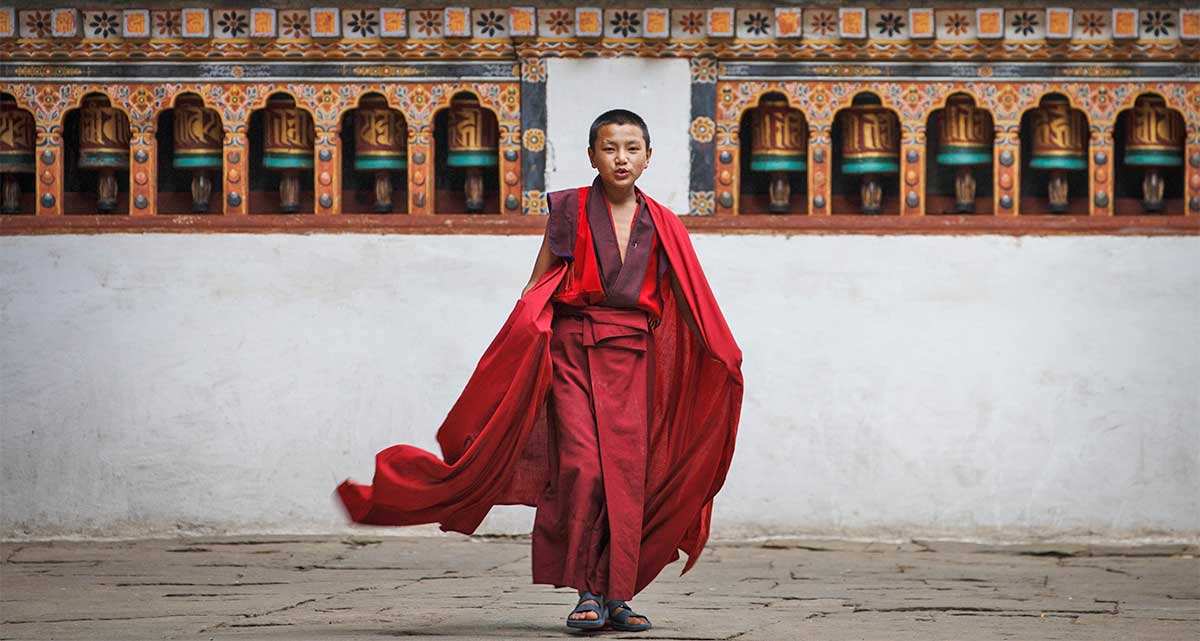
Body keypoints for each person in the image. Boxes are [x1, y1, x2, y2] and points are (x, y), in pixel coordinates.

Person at [337, 109, 742, 634]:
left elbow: (689, 299)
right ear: (591, 154)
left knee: (627, 479)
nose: (621, 158)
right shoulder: (570, 210)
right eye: (609, 147)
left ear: (648, 156)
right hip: (573, 351)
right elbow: (539, 285)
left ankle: (617, 594)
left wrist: (720, 356)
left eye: (632, 148)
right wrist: (521, 347)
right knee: (582, 468)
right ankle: (586, 592)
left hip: (632, 360)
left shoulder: (664, 223)